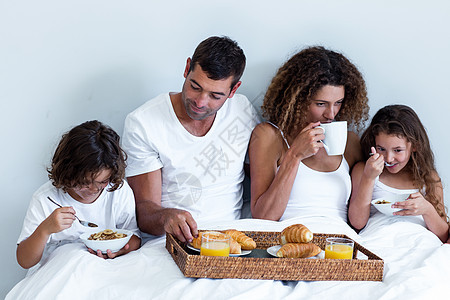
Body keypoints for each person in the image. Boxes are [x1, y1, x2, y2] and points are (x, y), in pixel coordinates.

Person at [122, 36, 259, 243]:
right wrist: (167, 216)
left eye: (215, 96)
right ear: (187, 68)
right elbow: (144, 210)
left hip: (232, 242)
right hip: (172, 242)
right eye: (195, 86)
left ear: (234, 89)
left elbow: (262, 178)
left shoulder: (242, 110)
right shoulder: (143, 122)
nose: (200, 102)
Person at [249, 46, 369, 221]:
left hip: (338, 244)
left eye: (338, 102)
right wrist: (295, 155)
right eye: (321, 103)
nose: (331, 114)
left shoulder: (350, 142)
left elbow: (360, 218)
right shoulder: (269, 136)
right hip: (290, 242)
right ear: (297, 99)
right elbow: (263, 217)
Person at [16, 120, 141, 269]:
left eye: (102, 182)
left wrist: (119, 251)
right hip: (59, 271)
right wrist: (45, 229)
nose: (94, 189)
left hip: (105, 268)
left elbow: (134, 239)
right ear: (68, 173)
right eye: (85, 182)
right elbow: (25, 261)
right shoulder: (45, 199)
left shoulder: (117, 191)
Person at [348, 105, 449, 242]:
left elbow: (443, 236)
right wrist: (369, 178)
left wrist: (427, 209)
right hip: (379, 241)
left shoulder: (428, 178)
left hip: (421, 242)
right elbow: (357, 223)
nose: (389, 158)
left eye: (398, 150)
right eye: (381, 149)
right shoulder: (363, 170)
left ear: (415, 146)